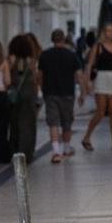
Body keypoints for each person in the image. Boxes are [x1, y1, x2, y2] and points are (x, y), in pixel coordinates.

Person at [38, 28, 83, 163]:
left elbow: (40, 76)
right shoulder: (71, 55)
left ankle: (56, 151)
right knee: (66, 122)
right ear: (63, 39)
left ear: (52, 39)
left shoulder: (45, 55)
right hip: (67, 93)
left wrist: (42, 89)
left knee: (54, 123)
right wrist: (83, 93)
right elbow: (79, 75)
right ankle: (67, 149)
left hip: (51, 93)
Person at [81, 29, 112, 151]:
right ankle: (87, 136)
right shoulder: (98, 46)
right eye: (108, 31)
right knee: (101, 111)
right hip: (102, 78)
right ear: (103, 33)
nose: (111, 33)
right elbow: (89, 65)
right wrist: (88, 81)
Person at [8, 33, 42, 162]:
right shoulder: (31, 60)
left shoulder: (11, 59)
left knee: (14, 122)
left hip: (14, 94)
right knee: (28, 123)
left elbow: (7, 78)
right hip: (28, 93)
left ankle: (14, 150)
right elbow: (34, 79)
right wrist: (36, 95)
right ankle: (27, 151)